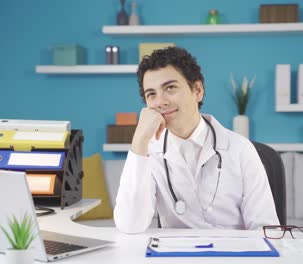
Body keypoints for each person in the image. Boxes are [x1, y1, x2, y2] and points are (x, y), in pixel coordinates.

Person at [114, 47, 279, 234]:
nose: (160, 102)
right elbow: (130, 225)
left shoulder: (240, 149)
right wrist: (139, 140)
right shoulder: (148, 151)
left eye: (170, 88)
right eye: (151, 94)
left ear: (197, 90)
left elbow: (266, 230)